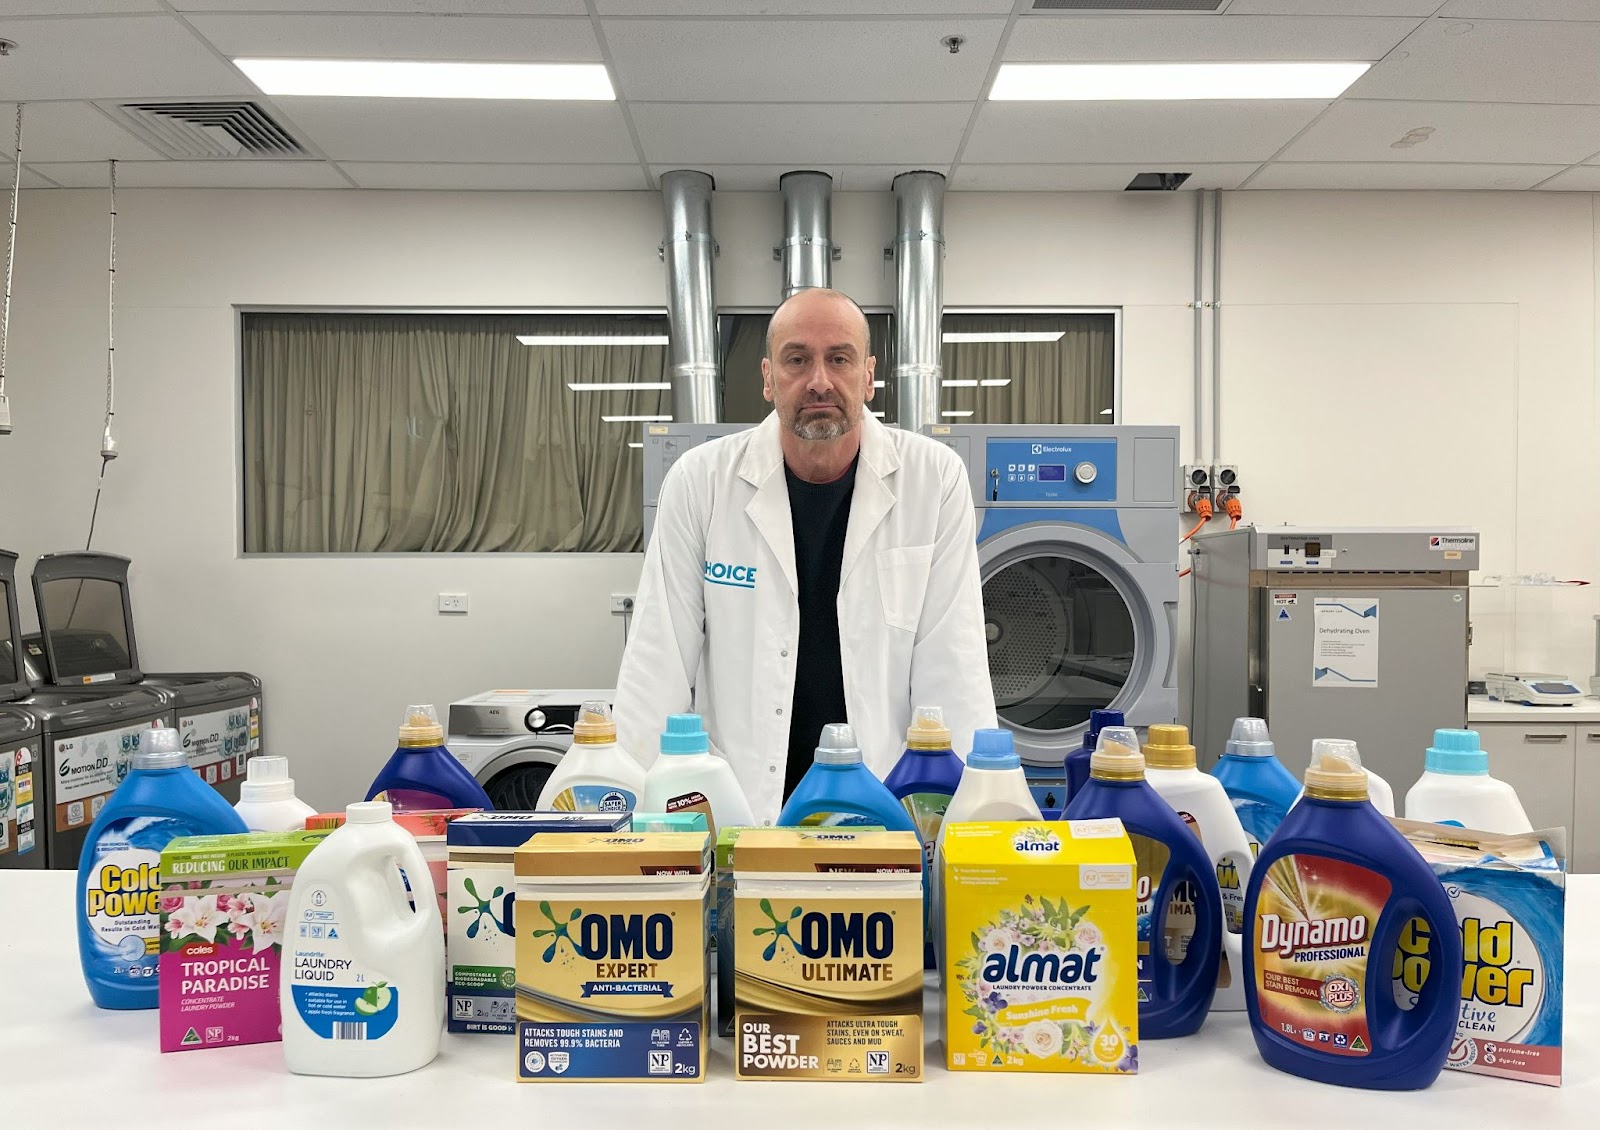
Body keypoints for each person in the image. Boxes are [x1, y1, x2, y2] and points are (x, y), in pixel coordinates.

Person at [614, 287, 996, 823]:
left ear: (868, 375)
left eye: (839, 358)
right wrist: (633, 831)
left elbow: (954, 667)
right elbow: (658, 662)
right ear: (769, 378)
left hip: (885, 799)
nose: (819, 380)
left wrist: (968, 828)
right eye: (797, 360)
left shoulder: (933, 479)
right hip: (739, 807)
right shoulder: (701, 482)